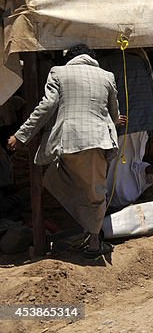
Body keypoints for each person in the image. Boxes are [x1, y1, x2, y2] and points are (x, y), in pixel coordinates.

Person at [7, 43, 122, 258]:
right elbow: (115, 113)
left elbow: (46, 107)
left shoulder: (58, 72)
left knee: (56, 178)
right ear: (91, 57)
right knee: (96, 193)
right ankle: (94, 242)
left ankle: (89, 231)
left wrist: (21, 135)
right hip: (98, 140)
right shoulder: (107, 76)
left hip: (68, 142)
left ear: (70, 57)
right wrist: (114, 121)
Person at [99, 47, 153, 207]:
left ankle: (120, 201)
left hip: (124, 120)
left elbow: (104, 95)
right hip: (146, 116)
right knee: (135, 159)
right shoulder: (140, 60)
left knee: (117, 166)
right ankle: (150, 170)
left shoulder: (105, 63)